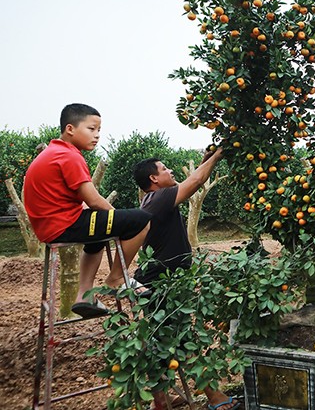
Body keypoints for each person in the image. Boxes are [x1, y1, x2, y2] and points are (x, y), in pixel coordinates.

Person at [132, 148, 241, 410]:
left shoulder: (155, 199)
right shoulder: (158, 199)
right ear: (154, 179)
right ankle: (214, 398)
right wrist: (219, 155)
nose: (170, 170)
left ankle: (160, 401)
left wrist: (206, 160)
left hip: (160, 283)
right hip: (160, 286)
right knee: (181, 340)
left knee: (163, 339)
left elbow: (191, 181)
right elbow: (195, 182)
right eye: (164, 168)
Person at [23, 103, 152, 319]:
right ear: (70, 129)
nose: (97, 135)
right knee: (142, 219)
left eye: (99, 130)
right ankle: (116, 280)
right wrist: (119, 218)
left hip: (52, 227)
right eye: (91, 129)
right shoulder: (69, 156)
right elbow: (93, 200)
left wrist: (111, 220)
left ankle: (84, 296)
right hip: (63, 227)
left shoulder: (55, 152)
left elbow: (77, 201)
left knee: (99, 231)